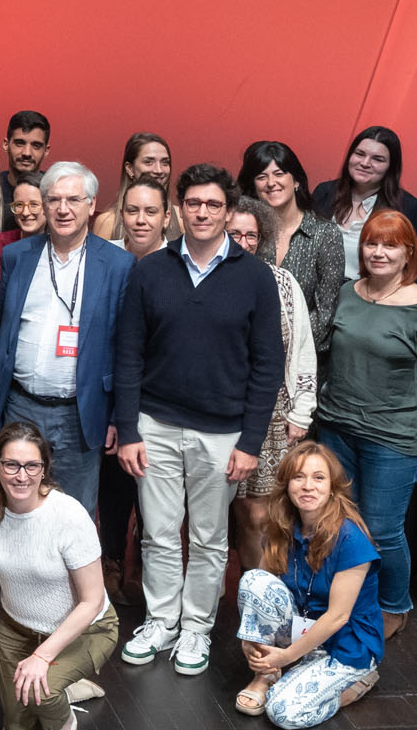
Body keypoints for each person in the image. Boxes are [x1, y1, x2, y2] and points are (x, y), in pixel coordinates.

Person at [112, 165, 286, 679]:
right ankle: (162, 621)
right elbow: (128, 355)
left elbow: (268, 365)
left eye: (213, 205)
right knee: (158, 533)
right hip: (155, 426)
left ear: (229, 212)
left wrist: (250, 442)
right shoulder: (150, 271)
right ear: (178, 210)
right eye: (193, 203)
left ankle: (195, 628)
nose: (203, 212)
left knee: (210, 540)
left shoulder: (256, 278)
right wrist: (129, 429)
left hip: (223, 433)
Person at [311, 209, 417, 639]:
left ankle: (394, 605)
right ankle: (347, 603)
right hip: (337, 426)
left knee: (383, 530)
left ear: (408, 253)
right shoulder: (347, 293)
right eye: (371, 243)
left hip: (395, 436)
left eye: (390, 245)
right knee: (339, 522)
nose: (378, 252)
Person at [0, 162, 132, 523]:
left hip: (79, 413)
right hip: (20, 406)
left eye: (73, 199)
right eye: (53, 200)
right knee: (15, 508)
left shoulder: (118, 265)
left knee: (74, 515)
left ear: (92, 204)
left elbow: (125, 347)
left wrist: (117, 416)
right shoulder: (17, 256)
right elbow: (3, 330)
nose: (63, 209)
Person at [0, 423, 116, 730]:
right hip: (15, 629)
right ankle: (61, 687)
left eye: (31, 466)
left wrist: (43, 656)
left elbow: (92, 601)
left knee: (44, 690)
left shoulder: (68, 516)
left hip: (84, 630)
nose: (21, 476)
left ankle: (64, 725)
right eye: (11, 465)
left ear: (44, 469)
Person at [235, 440, 384, 727]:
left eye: (318, 478)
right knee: (253, 580)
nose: (307, 486)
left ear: (332, 487)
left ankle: (355, 684)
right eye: (298, 477)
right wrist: (249, 640)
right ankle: (266, 675)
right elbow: (259, 588)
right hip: (302, 626)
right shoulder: (282, 526)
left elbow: (338, 617)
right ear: (287, 485)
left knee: (282, 712)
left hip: (344, 644)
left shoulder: (351, 539)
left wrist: (287, 656)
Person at [224, 198, 320, 572]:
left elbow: (302, 350)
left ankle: (255, 598)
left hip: (270, 416)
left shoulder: (281, 282)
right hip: (216, 413)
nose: (244, 242)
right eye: (235, 233)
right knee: (209, 519)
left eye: (252, 235)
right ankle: (209, 596)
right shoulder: (203, 279)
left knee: (258, 517)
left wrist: (302, 411)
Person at [239, 141, 342, 354]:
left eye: (279, 174)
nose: (271, 183)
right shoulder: (245, 234)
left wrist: (284, 349)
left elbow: (325, 311)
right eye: (261, 176)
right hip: (247, 352)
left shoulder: (325, 234)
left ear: (296, 181)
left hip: (304, 355)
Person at [315, 125, 417, 288]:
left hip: (373, 299)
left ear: (390, 167)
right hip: (316, 296)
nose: (365, 163)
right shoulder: (324, 193)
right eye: (360, 154)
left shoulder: (408, 208)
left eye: (378, 159)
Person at [92, 133, 181, 243]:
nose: (159, 170)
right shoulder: (108, 223)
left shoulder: (181, 218)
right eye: (148, 162)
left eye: (165, 162)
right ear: (130, 168)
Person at [0, 170, 45, 290]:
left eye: (34, 205)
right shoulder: (2, 242)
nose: (25, 213)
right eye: (19, 205)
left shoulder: (59, 244)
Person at [112, 173, 171, 261]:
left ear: (166, 218)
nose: (140, 220)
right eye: (132, 211)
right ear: (122, 216)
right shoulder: (103, 254)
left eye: (150, 212)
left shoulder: (179, 262)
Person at [0, 110, 52, 207]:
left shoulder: (54, 190)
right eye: (20, 143)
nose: (27, 153)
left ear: (46, 150)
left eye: (36, 145)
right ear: (6, 144)